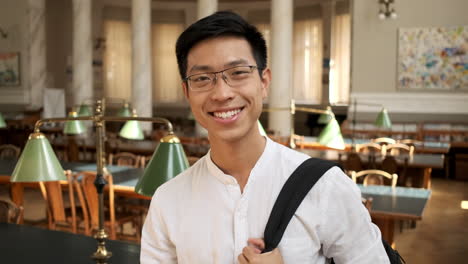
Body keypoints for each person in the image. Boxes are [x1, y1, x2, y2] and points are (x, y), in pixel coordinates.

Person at [141, 11, 389, 264]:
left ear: (264, 81)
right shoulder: (168, 200)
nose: (222, 93)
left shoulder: (325, 186)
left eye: (238, 72)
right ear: (187, 92)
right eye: (202, 78)